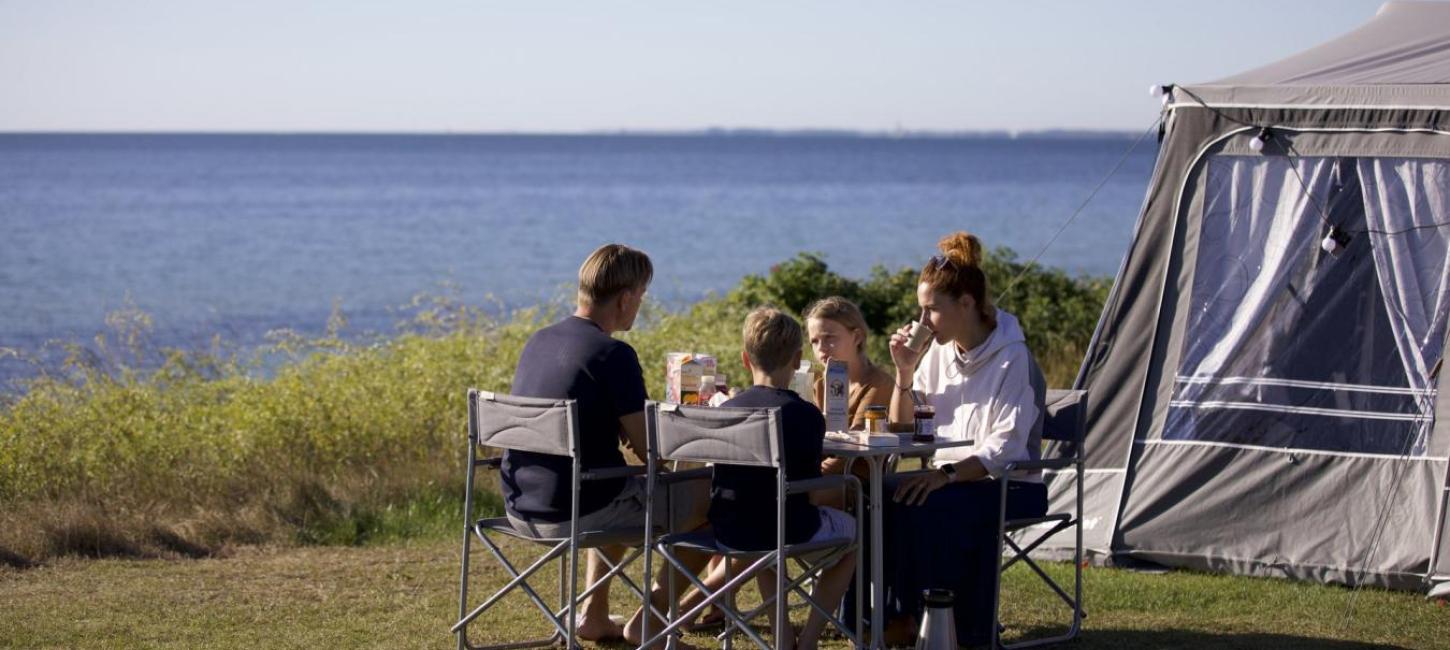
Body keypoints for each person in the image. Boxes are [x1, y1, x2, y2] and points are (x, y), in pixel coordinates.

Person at [502, 243, 708, 645]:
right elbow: (652, 455)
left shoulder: (539, 340)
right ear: (626, 298)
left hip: (523, 504)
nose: (640, 306)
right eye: (642, 297)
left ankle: (593, 616)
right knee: (718, 500)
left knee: (617, 486)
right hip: (580, 508)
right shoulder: (613, 354)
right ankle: (649, 619)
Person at [880, 232, 1048, 647]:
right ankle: (887, 616)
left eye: (931, 310)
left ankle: (951, 625)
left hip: (1011, 484)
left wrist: (947, 475)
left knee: (933, 502)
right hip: (951, 476)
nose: (922, 322)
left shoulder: (1013, 358)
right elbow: (903, 428)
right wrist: (904, 372)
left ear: (967, 304)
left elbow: (1005, 450)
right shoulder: (938, 353)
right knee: (876, 494)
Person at [680, 307, 858, 650]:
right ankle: (806, 640)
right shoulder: (804, 415)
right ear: (797, 360)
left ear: (746, 360)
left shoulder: (726, 410)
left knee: (764, 538)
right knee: (852, 535)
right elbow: (809, 489)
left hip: (730, 529)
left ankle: (782, 637)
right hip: (788, 527)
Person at [805, 296, 895, 431]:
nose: (821, 348)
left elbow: (857, 442)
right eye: (814, 341)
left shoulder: (878, 384)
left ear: (857, 337)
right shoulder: (819, 385)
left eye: (829, 337)